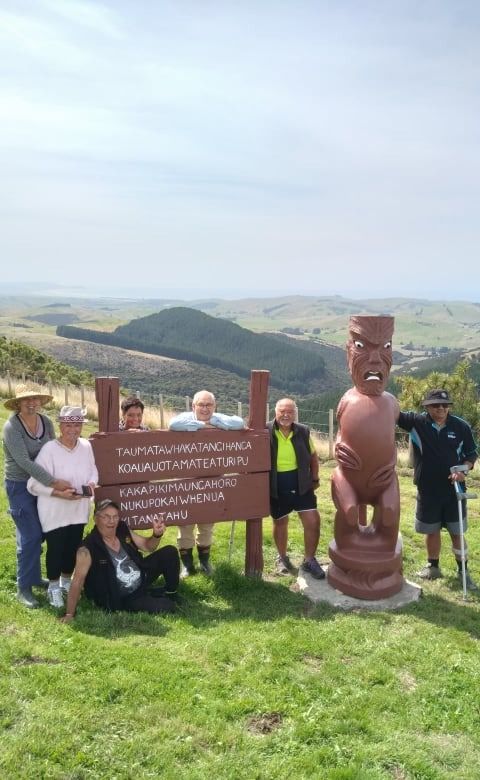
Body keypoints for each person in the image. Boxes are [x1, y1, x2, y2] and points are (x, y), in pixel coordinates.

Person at [396, 388, 478, 589]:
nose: (441, 408)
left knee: (456, 532)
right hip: (428, 490)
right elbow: (392, 412)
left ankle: (463, 572)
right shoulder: (416, 423)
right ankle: (433, 567)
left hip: (454, 491)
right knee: (431, 531)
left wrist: (463, 470)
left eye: (445, 405)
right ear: (427, 407)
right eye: (435, 405)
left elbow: (471, 455)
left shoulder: (461, 426)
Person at [2, 384, 72, 608]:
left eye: (35, 399)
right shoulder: (12, 427)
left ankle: (32, 577)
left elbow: (53, 451)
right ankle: (23, 588)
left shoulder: (46, 422)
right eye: (26, 400)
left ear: (40, 401)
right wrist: (53, 481)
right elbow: (24, 462)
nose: (31, 403)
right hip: (20, 486)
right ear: (18, 403)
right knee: (30, 536)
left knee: (41, 533)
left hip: (42, 485)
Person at [61, 499, 180, 621]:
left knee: (169, 552)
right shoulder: (87, 548)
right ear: (96, 519)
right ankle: (151, 595)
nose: (111, 521)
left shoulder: (121, 528)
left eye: (115, 517)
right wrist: (69, 614)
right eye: (106, 517)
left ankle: (170, 592)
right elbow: (77, 581)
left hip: (141, 575)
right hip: (122, 595)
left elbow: (147, 546)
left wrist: (156, 535)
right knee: (168, 606)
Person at [27, 406, 98, 608]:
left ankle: (67, 583)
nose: (73, 430)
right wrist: (59, 494)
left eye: (77, 425)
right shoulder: (49, 450)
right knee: (56, 549)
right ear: (60, 426)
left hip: (78, 508)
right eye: (68, 425)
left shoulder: (86, 446)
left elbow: (93, 470)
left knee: (72, 547)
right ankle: (53, 588)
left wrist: (91, 484)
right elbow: (33, 484)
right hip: (55, 510)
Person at [169, 390, 246, 577]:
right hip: (186, 483)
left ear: (214, 406)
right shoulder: (185, 417)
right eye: (201, 405)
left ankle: (204, 563)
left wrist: (215, 423)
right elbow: (173, 424)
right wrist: (202, 425)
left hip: (211, 483)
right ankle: (187, 566)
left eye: (209, 405)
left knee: (206, 526)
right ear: (193, 406)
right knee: (185, 526)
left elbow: (239, 423)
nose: (205, 408)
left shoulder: (218, 418)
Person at [268, 398, 325, 580]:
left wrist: (315, 478)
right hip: (277, 484)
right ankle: (282, 558)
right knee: (280, 522)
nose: (286, 415)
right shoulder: (265, 431)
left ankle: (309, 560)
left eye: (290, 412)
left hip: (301, 482)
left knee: (313, 521)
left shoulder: (303, 431)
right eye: (282, 411)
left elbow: (313, 457)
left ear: (295, 413)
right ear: (275, 412)